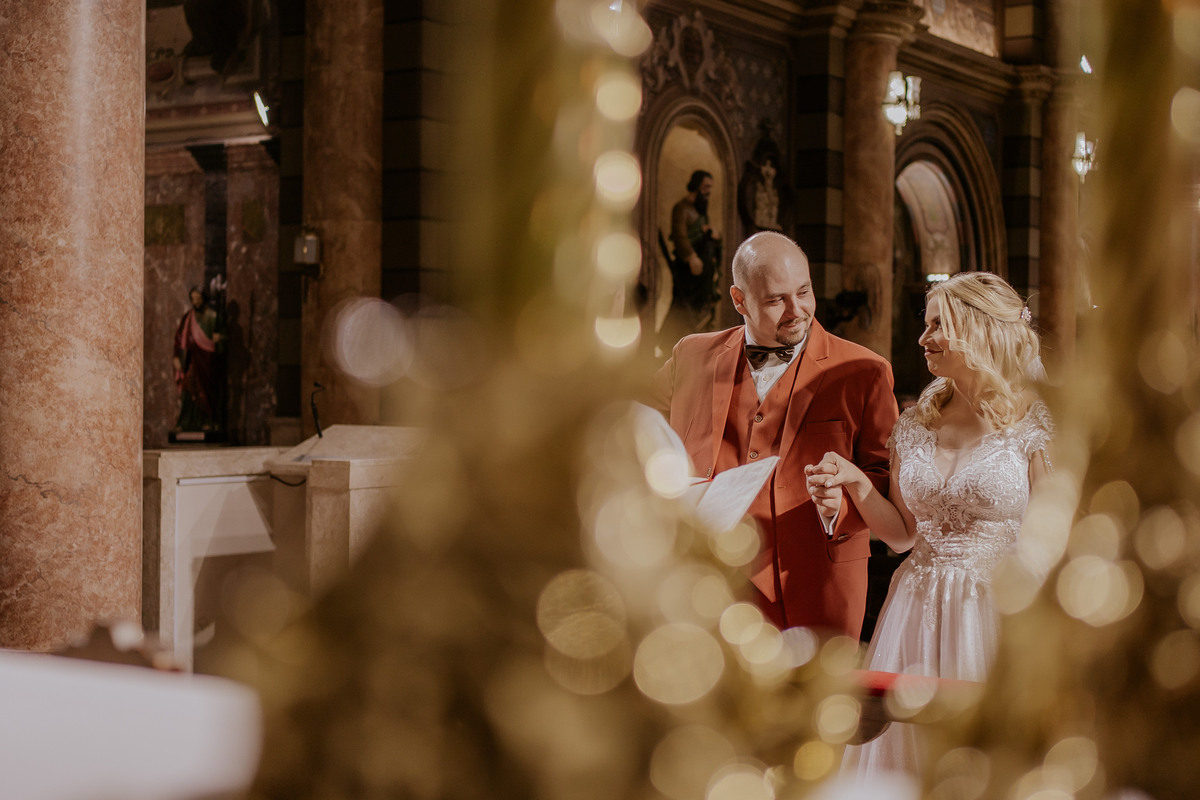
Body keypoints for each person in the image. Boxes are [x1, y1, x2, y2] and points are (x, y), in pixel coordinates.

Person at [805, 271, 1052, 780]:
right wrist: (856, 483)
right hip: (914, 606)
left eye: (938, 325)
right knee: (906, 758)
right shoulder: (914, 424)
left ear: (979, 330)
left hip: (995, 610)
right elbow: (901, 535)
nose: (923, 339)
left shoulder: (1035, 424)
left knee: (983, 761)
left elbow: (1054, 541)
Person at [648, 231, 898, 638]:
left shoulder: (864, 371)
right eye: (775, 300)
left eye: (804, 292)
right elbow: (631, 429)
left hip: (815, 585)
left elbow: (886, 479)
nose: (796, 310)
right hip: (703, 587)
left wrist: (842, 506)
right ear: (739, 300)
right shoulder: (690, 356)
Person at [660, 170, 722, 348]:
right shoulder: (682, 208)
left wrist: (712, 234)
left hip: (703, 272)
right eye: (706, 187)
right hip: (688, 269)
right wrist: (691, 257)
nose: (709, 191)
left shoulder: (700, 210)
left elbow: (702, 231)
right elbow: (680, 236)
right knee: (682, 304)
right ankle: (668, 339)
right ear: (696, 186)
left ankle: (693, 341)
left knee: (697, 307)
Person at [173, 286, 224, 432]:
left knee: (206, 391)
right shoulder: (188, 318)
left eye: (198, 298)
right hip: (190, 361)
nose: (196, 302)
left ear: (204, 298)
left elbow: (224, 338)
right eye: (193, 299)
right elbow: (179, 339)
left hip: (207, 362)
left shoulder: (213, 317)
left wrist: (219, 339)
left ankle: (207, 420)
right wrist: (176, 356)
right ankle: (186, 422)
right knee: (189, 392)